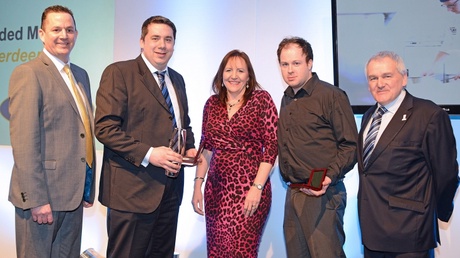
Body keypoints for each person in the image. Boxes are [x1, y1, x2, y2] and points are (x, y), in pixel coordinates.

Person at [95, 15, 197, 257]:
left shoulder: (178, 80)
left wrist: (190, 148)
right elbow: (105, 128)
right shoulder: (119, 72)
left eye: (168, 39)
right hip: (131, 193)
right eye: (155, 38)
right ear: (142, 41)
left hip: (170, 193)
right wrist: (150, 154)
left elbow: (183, 124)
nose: (162, 45)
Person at [8, 5, 95, 258]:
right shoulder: (28, 73)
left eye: (69, 29)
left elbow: (82, 133)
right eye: (56, 29)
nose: (64, 35)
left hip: (73, 195)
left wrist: (87, 186)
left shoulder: (81, 76)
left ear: (76, 34)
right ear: (41, 34)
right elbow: (24, 143)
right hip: (42, 198)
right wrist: (36, 199)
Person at [358, 51, 459, 257]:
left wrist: (433, 213)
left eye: (387, 76)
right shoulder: (368, 116)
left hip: (410, 235)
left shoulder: (429, 115)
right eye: (373, 78)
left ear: (404, 78)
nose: (380, 83)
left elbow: (446, 174)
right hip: (372, 234)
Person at [191, 50, 278, 257]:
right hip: (216, 193)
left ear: (249, 76)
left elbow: (272, 146)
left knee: (242, 252)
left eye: (240, 70)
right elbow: (206, 148)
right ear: (221, 75)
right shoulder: (211, 104)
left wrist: (257, 187)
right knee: (217, 251)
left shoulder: (261, 99)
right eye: (229, 70)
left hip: (249, 190)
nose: (234, 75)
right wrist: (197, 186)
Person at [277, 37, 358, 258]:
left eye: (296, 63)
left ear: (310, 63)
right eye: (285, 64)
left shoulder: (331, 95)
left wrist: (328, 177)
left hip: (323, 195)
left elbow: (351, 146)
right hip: (293, 193)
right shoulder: (286, 98)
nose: (290, 70)